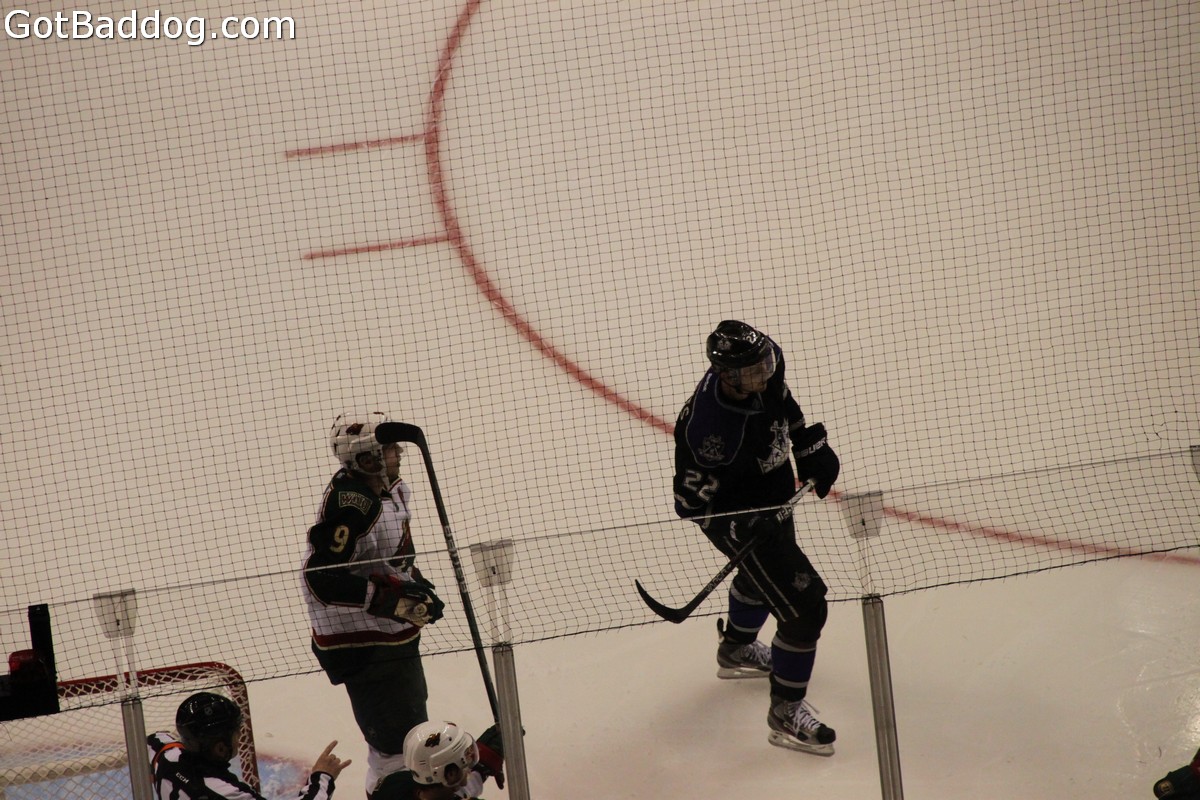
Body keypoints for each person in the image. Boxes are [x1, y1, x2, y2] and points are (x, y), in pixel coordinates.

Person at [673, 320, 841, 756]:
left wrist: (808, 447)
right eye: (753, 373)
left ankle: (736, 650)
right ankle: (785, 712)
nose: (764, 375)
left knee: (760, 580)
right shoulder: (711, 433)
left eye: (765, 364)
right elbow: (692, 504)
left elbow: (781, 399)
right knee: (805, 610)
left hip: (773, 496)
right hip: (740, 515)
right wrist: (741, 527)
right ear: (726, 376)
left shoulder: (765, 364)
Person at [301, 412, 447, 799]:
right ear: (367, 459)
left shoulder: (388, 488)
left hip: (383, 633)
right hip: (361, 641)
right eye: (390, 449)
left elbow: (386, 557)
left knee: (410, 724)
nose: (398, 453)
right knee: (398, 745)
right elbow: (321, 578)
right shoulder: (353, 506)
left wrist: (414, 585)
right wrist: (389, 601)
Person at [146, 691, 349, 800]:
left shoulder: (165, 755)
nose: (239, 738)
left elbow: (152, 740)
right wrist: (323, 776)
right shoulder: (227, 793)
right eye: (236, 733)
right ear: (220, 748)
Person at [367, 720, 506, 800]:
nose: (469, 770)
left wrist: (479, 771)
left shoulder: (394, 785)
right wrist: (483, 766)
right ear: (450, 775)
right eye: (465, 766)